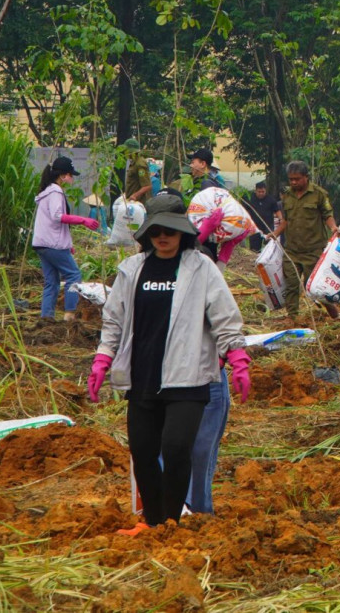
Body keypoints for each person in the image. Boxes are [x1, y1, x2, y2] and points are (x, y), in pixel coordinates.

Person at [89, 194, 249, 532]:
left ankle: (171, 523)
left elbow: (224, 315)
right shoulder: (132, 269)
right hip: (143, 374)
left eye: (171, 231)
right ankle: (152, 522)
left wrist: (236, 355)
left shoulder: (200, 268)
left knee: (176, 449)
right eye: (157, 231)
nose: (163, 237)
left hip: (188, 376)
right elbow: (114, 319)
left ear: (183, 233)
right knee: (143, 452)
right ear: (147, 233)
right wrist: (103, 357)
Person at [33, 155, 100, 321]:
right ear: (63, 175)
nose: (71, 179)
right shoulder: (55, 192)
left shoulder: (45, 192)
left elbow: (51, 223)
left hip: (42, 243)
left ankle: (46, 317)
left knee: (52, 281)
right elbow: (57, 217)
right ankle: (70, 314)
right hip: (52, 244)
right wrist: (83, 220)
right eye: (70, 175)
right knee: (74, 275)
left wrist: (68, 243)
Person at [276, 161, 338, 324]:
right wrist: (274, 234)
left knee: (313, 288)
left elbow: (327, 215)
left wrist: (333, 228)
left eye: (297, 179)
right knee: (291, 284)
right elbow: (286, 221)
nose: (294, 182)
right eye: (291, 179)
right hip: (292, 250)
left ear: (306, 177)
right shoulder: (287, 196)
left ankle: (328, 306)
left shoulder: (318, 194)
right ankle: (292, 316)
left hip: (313, 250)